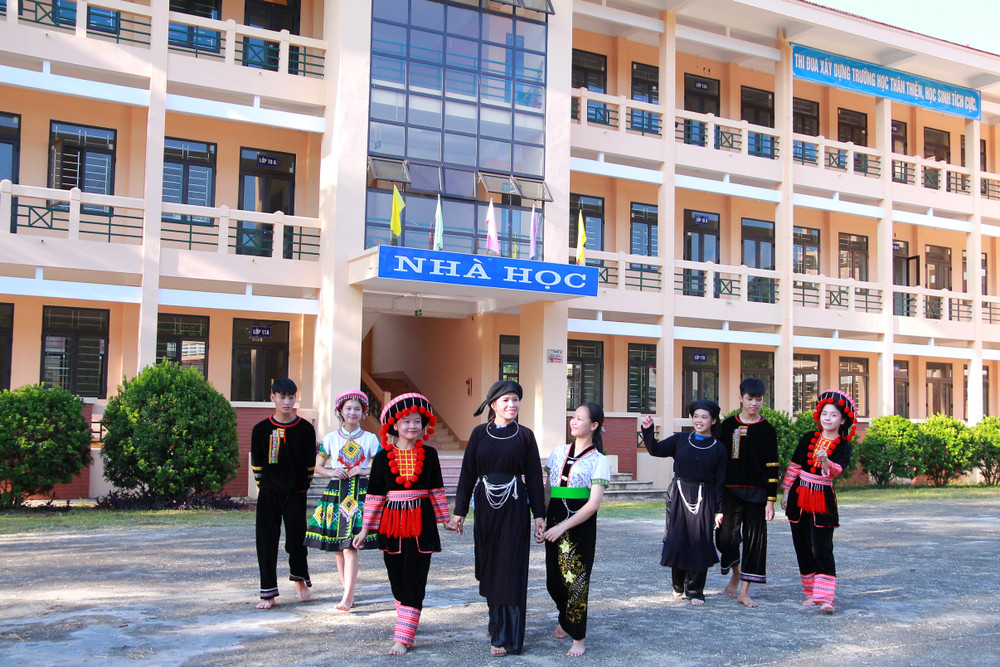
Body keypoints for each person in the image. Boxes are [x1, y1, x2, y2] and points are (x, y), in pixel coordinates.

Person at [448, 380, 546, 657]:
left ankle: (507, 636)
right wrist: (460, 512)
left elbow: (534, 478)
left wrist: (539, 515)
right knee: (490, 564)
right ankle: (496, 622)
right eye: (506, 400)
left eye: (515, 400)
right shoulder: (479, 434)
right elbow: (467, 473)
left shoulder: (525, 436)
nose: (512, 405)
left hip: (515, 507)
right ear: (493, 405)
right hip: (486, 507)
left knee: (510, 567)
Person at [353, 393, 451, 655]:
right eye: (406, 421)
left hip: (422, 524)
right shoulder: (382, 458)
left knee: (415, 577)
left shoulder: (429, 455)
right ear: (394, 425)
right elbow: (375, 496)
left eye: (417, 421)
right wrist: (365, 529)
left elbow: (436, 490)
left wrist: (446, 520)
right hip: (391, 525)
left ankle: (403, 636)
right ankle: (407, 619)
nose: (412, 426)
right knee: (396, 577)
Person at [641, 400, 727, 606]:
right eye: (696, 416)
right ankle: (678, 585)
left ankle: (695, 590)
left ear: (713, 420)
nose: (699, 421)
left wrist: (718, 510)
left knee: (699, 542)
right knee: (678, 539)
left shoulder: (719, 448)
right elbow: (655, 450)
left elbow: (720, 482)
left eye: (704, 417)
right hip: (678, 494)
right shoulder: (680, 439)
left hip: (703, 496)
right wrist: (648, 430)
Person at [542, 402, 611, 658]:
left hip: (579, 527)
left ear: (594, 425)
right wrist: (542, 520)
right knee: (554, 582)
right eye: (573, 416)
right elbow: (548, 490)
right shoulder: (558, 452)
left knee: (576, 581)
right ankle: (565, 617)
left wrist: (562, 527)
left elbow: (593, 504)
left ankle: (578, 637)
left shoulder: (599, 461)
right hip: (554, 519)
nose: (573, 421)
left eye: (580, 418)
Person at [304, 390, 381, 611]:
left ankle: (347, 596)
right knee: (339, 547)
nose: (352, 412)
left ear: (363, 412)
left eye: (357, 409)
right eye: (348, 408)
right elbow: (318, 466)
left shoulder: (370, 438)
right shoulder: (330, 438)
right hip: (336, 493)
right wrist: (332, 472)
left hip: (360, 494)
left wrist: (364, 470)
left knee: (350, 545)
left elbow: (382, 465)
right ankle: (347, 591)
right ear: (340, 411)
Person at [780, 389, 855, 614]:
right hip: (799, 495)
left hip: (822, 497)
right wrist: (786, 493)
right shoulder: (808, 438)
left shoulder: (843, 445)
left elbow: (835, 471)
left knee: (822, 546)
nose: (827, 418)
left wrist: (825, 461)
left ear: (843, 420)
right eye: (824, 413)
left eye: (833, 415)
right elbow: (795, 466)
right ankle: (811, 593)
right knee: (802, 545)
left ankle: (825, 597)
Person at [250, 378, 316, 609]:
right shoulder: (261, 429)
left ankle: (299, 579)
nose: (287, 402)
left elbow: (310, 465)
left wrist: (301, 486)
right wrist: (266, 485)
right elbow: (257, 465)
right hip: (269, 493)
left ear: (295, 398)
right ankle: (268, 592)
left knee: (297, 541)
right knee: (266, 542)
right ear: (273, 398)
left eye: (291, 397)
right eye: (282, 397)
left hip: (296, 492)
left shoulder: (305, 429)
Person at [715, 377, 780, 608]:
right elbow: (718, 460)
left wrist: (770, 501)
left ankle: (744, 591)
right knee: (725, 537)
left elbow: (772, 466)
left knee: (755, 542)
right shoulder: (727, 426)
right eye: (750, 398)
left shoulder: (767, 430)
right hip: (730, 491)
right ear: (740, 398)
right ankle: (736, 572)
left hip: (758, 494)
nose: (754, 403)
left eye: (758, 399)